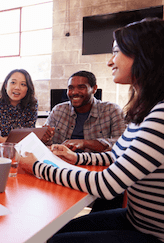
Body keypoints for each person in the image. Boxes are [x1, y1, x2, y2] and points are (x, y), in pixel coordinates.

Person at [20, 18, 164, 243]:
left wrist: (38, 167)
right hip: (135, 219)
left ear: (145, 55)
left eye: (117, 52)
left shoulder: (161, 115)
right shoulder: (145, 109)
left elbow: (107, 185)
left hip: (153, 233)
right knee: (51, 230)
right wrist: (76, 157)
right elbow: (119, 156)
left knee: (54, 240)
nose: (110, 61)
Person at [43, 70, 126, 152]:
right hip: (60, 161)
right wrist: (44, 139)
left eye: (81, 87)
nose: (74, 92)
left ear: (94, 89)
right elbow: (47, 143)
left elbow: (122, 144)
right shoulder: (58, 110)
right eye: (70, 88)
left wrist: (84, 143)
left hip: (95, 163)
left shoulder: (112, 110)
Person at [0, 69, 38, 146]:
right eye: (13, 82)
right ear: (6, 85)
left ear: (28, 89)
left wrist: (5, 139)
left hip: (22, 151)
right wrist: (17, 139)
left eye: (23, 84)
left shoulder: (32, 105)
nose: (17, 87)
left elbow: (28, 136)